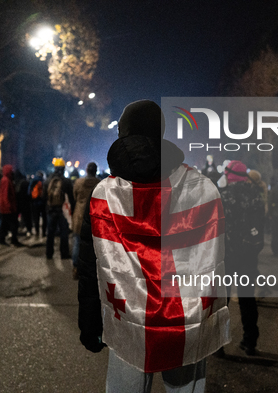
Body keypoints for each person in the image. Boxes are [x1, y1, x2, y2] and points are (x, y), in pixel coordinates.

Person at [78, 100, 229, 392]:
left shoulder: (104, 195)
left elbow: (90, 264)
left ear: (123, 133)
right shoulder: (202, 188)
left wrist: (90, 323)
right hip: (187, 316)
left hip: (127, 317)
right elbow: (217, 258)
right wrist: (212, 317)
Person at [220, 161, 266, 356]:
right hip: (248, 256)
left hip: (226, 256)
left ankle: (218, 343)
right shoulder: (255, 195)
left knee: (223, 301)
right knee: (247, 298)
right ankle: (250, 341)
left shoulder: (223, 196)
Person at [71, 162, 100, 280]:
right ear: (96, 171)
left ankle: (76, 268)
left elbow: (74, 196)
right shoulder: (99, 183)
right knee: (93, 244)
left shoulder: (78, 182)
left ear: (87, 170)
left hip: (79, 214)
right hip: (94, 215)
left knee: (77, 242)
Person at [43, 158, 75, 261]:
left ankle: (49, 253)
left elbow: (44, 197)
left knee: (50, 233)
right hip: (63, 211)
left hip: (51, 210)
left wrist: (46, 209)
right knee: (64, 232)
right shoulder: (66, 181)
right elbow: (71, 198)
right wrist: (72, 212)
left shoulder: (47, 180)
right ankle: (64, 253)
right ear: (63, 168)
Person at [0, 164, 23, 247]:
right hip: (8, 207)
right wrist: (8, 206)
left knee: (5, 224)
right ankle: (13, 240)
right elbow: (5, 195)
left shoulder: (5, 179)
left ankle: (2, 240)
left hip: (5, 207)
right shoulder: (6, 180)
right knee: (13, 224)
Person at [29, 170, 47, 238]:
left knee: (36, 218)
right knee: (44, 218)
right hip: (43, 203)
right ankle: (43, 232)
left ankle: (37, 232)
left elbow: (29, 192)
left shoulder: (33, 182)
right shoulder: (44, 182)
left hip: (35, 203)